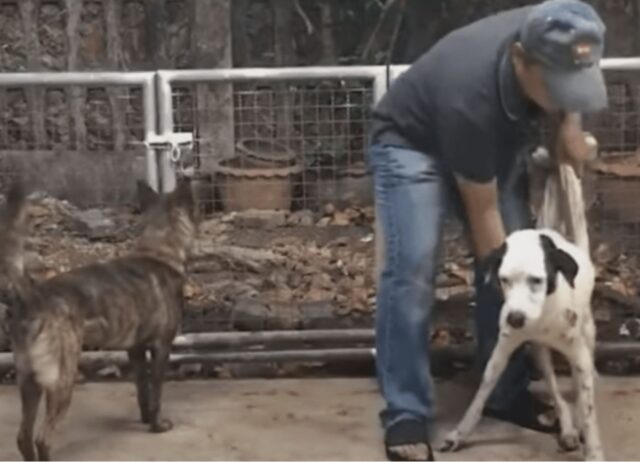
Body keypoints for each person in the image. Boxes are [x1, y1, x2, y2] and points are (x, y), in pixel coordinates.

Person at [367, 1, 607, 460]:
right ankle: (406, 412)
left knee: (519, 252)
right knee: (419, 266)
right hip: (412, 143)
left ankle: (506, 393)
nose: (563, 95)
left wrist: (570, 126)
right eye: (556, 87)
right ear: (520, 59)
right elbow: (487, 225)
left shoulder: (567, 25)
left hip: (486, 145)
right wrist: (526, 301)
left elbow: (571, 77)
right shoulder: (470, 94)